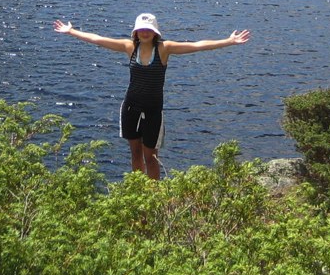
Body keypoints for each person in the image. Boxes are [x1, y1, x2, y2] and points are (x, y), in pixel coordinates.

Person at [53, 13, 251, 179]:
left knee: (151, 157)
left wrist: (229, 41)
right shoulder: (129, 47)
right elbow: (97, 39)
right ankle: (138, 191)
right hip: (130, 108)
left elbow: (198, 45)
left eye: (148, 29)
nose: (145, 33)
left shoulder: (164, 49)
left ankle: (153, 196)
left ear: (155, 32)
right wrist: (71, 31)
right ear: (136, 32)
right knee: (135, 153)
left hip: (153, 111)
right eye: (141, 29)